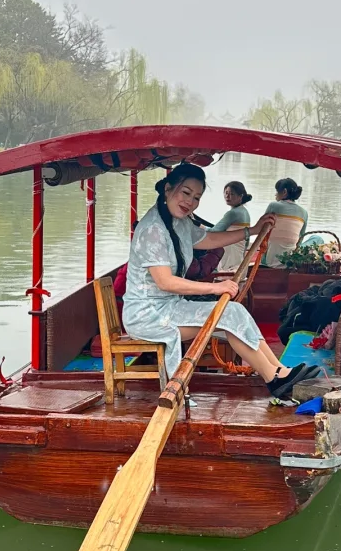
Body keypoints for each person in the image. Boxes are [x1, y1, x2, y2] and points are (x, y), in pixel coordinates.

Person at [121, 162, 320, 398]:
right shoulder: (152, 229)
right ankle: (274, 379)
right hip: (147, 315)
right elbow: (165, 282)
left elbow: (209, 239)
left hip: (169, 307)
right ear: (167, 188)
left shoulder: (178, 223)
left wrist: (252, 230)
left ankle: (278, 370)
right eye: (186, 193)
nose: (190, 202)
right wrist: (216, 287)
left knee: (233, 310)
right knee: (228, 315)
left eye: (196, 198)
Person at [262, 177, 309, 267]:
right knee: (316, 238)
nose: (275, 195)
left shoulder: (273, 205)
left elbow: (262, 231)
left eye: (277, 192)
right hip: (291, 261)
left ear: (284, 192)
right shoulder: (304, 212)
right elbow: (300, 238)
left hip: (270, 259)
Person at [212, 180, 253, 274]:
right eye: (226, 193)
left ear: (240, 196)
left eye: (232, 194)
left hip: (230, 262)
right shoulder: (244, 212)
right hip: (239, 260)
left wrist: (196, 226)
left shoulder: (233, 213)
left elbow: (213, 231)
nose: (227, 196)